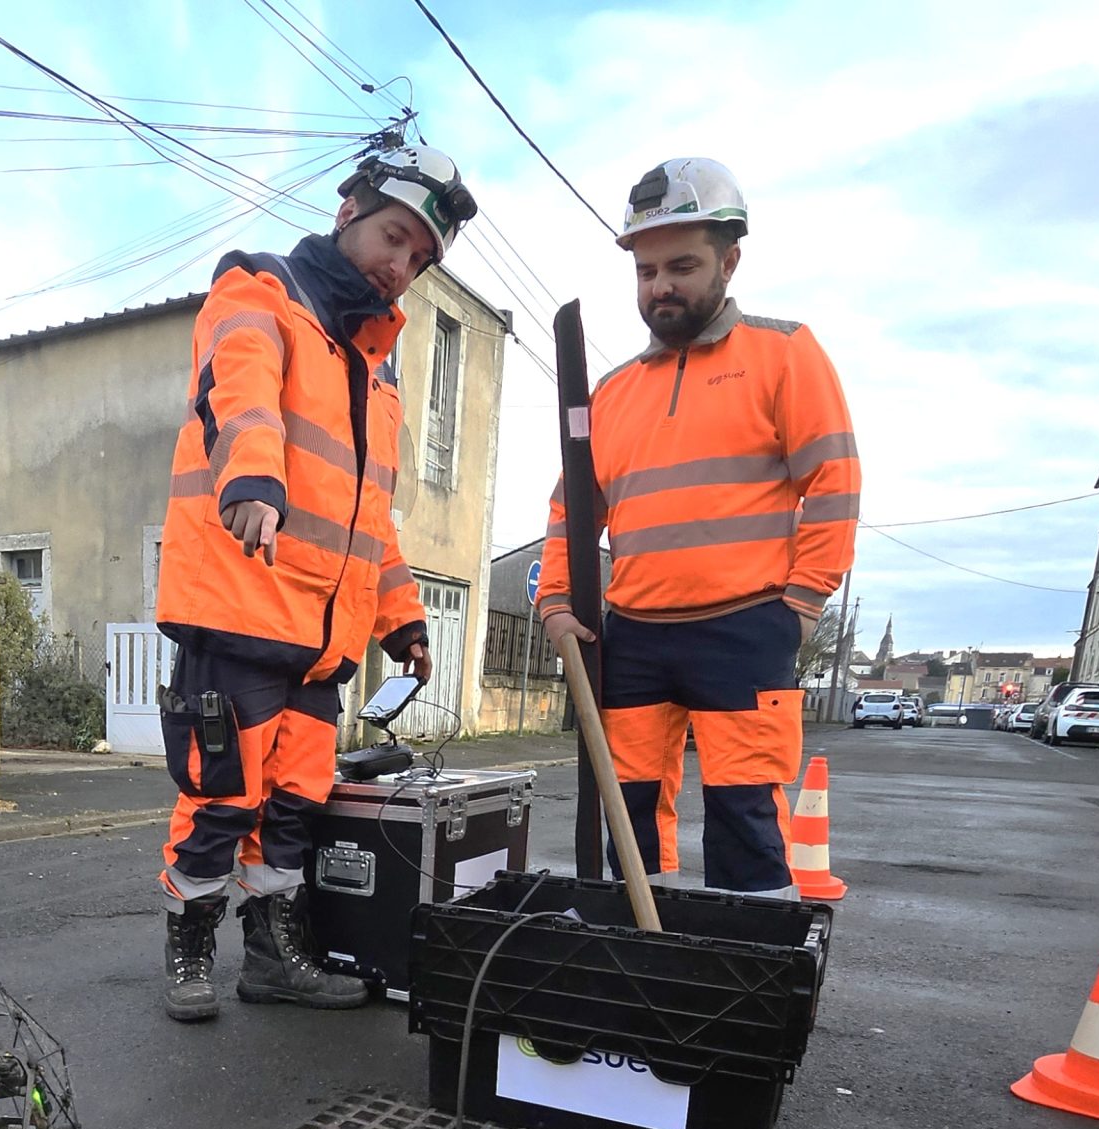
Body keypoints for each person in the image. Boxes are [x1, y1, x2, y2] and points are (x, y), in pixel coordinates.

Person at [152, 146, 478, 1022]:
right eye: (393, 237)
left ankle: (272, 958)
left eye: (418, 257)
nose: (400, 266)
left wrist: (402, 618)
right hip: (238, 611)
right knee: (220, 800)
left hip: (321, 642)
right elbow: (241, 387)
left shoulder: (376, 376)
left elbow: (372, 522)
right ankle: (189, 952)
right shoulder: (260, 290)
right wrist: (252, 476)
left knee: (294, 811)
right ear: (348, 212)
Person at [537, 157, 859, 896]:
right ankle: (643, 963)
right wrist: (556, 603)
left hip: (746, 628)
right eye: (647, 271)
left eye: (681, 266)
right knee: (630, 815)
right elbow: (571, 513)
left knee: (744, 815)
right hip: (635, 636)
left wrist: (803, 602)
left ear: (730, 260)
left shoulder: (784, 354)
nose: (661, 287)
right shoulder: (613, 394)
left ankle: (752, 979)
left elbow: (833, 481)